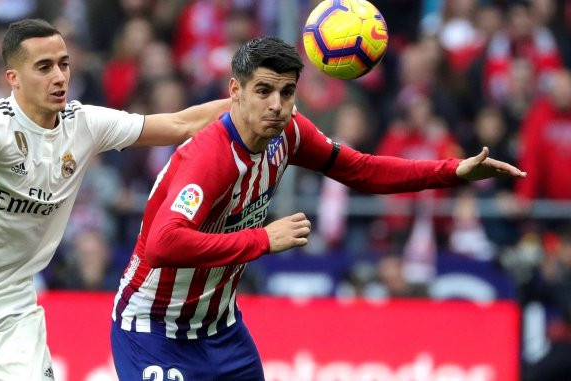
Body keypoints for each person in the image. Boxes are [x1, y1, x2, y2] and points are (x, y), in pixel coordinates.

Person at [110, 36, 526, 380]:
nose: (276, 104)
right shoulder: (209, 158)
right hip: (153, 328)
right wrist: (261, 239)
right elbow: (164, 244)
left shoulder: (288, 133)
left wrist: (453, 171)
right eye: (263, 90)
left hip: (220, 328)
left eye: (287, 92)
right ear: (235, 92)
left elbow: (362, 171)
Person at [0, 19, 229, 380]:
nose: (59, 76)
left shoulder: (84, 124)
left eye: (63, 64)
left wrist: (250, 101)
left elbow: (179, 124)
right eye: (44, 67)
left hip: (11, 308)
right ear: (13, 78)